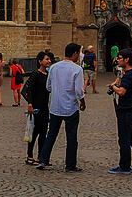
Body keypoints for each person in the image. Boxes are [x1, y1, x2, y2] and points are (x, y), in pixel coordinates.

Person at [37, 42, 85, 172]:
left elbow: (48, 87)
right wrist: (83, 102)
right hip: (70, 108)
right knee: (71, 137)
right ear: (75, 54)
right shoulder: (77, 69)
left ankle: (43, 160)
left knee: (51, 134)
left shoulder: (53, 67)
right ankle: (70, 165)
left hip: (55, 107)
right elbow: (79, 90)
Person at [108, 49, 132, 175]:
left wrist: (113, 87)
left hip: (126, 111)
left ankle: (124, 166)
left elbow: (121, 92)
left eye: (120, 58)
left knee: (124, 139)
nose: (118, 60)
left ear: (127, 60)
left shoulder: (129, 75)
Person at [23, 50, 53, 165]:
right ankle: (29, 156)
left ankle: (42, 157)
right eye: (46, 59)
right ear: (40, 61)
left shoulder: (48, 74)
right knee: (34, 133)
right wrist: (30, 103)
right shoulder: (36, 74)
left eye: (49, 59)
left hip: (45, 107)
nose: (49, 61)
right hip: (36, 107)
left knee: (43, 133)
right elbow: (27, 89)